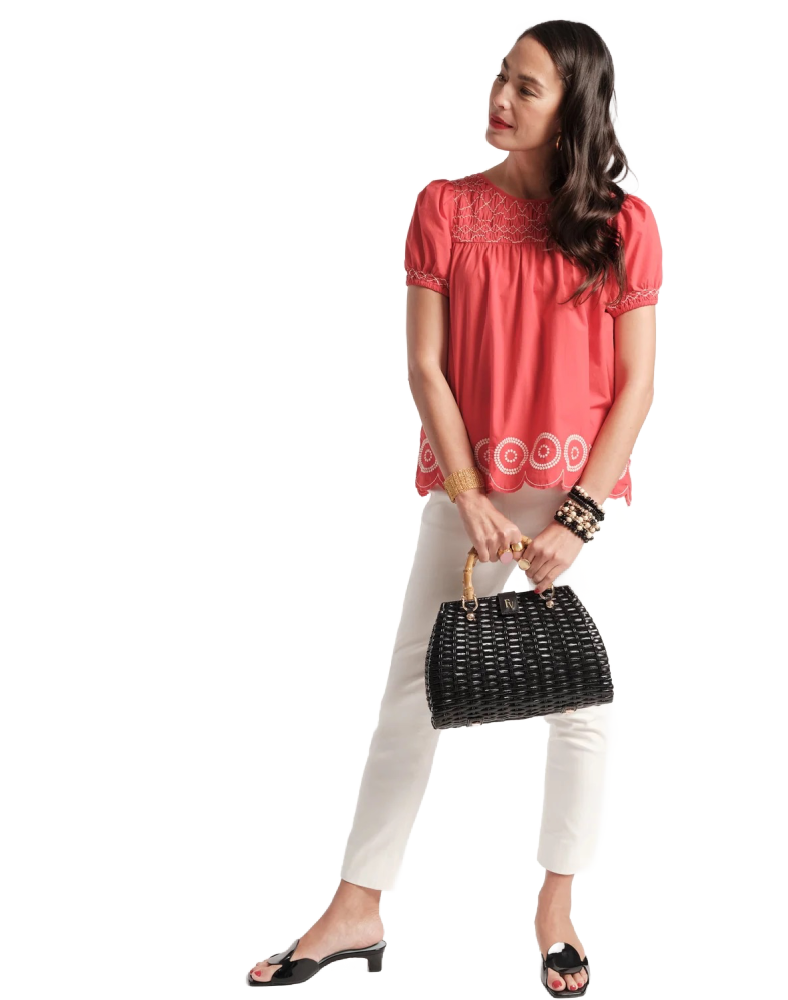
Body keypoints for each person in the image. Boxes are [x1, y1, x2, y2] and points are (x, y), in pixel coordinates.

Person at [247, 21, 661, 995]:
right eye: (500, 77)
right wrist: (469, 495)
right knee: (412, 692)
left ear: (573, 108)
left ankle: (555, 908)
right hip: (469, 493)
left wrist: (577, 521)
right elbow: (425, 368)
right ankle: (357, 905)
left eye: (527, 87)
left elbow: (636, 386)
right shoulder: (444, 208)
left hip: (576, 500)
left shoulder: (625, 224)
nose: (500, 99)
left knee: (581, 704)